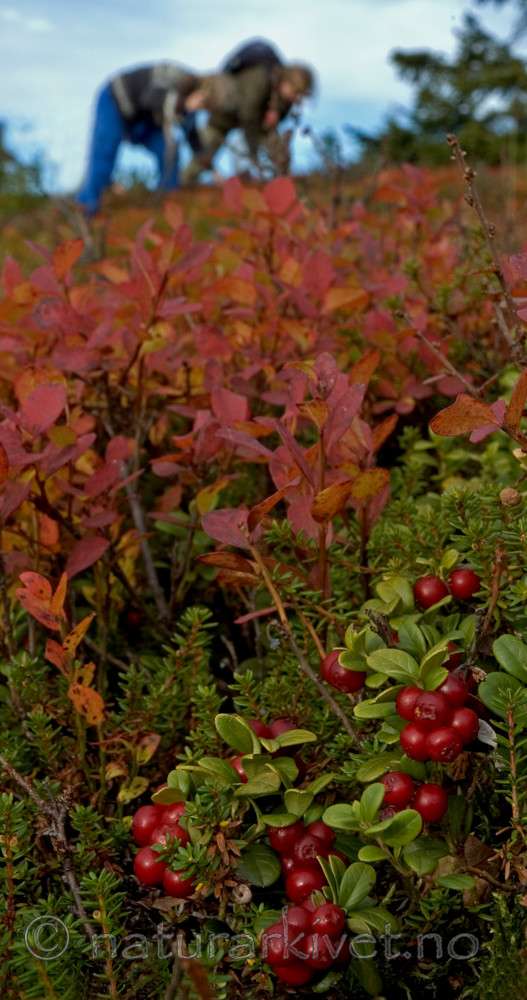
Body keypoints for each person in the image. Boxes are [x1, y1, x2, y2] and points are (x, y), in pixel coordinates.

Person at [75, 63, 211, 216]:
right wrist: (184, 103)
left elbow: (191, 133)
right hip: (115, 101)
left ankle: (168, 206)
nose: (203, 107)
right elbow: (149, 98)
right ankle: (86, 209)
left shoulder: (190, 106)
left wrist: (211, 167)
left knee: (169, 151)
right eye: (204, 101)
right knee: (104, 155)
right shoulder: (176, 75)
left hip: (145, 119)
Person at [179, 41, 314, 185]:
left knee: (277, 149)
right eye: (295, 92)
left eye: (299, 95)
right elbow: (248, 115)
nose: (295, 98)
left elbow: (270, 127)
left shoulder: (284, 101)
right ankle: (178, 187)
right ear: (287, 81)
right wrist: (254, 152)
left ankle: (285, 183)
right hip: (223, 116)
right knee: (203, 155)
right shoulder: (261, 77)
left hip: (253, 125)